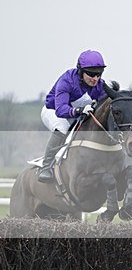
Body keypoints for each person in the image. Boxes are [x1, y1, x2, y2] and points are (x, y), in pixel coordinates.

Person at [38, 50, 110, 182]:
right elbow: (60, 109)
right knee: (62, 127)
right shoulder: (67, 80)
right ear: (80, 71)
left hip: (76, 114)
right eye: (91, 74)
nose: (95, 78)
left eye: (99, 74)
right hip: (53, 111)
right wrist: (79, 110)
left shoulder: (99, 85)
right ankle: (46, 166)